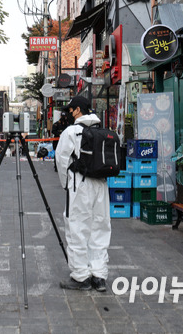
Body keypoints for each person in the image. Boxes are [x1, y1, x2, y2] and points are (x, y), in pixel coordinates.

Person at [55, 96, 111, 292]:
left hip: (80, 184)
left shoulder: (71, 132)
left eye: (70, 110)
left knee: (77, 227)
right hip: (101, 185)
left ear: (77, 110)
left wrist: (66, 184)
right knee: (100, 227)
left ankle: (80, 276)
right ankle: (99, 275)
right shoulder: (103, 131)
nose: (68, 114)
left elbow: (61, 160)